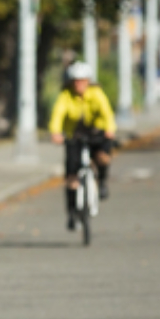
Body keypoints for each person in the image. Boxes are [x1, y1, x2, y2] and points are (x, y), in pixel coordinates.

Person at [49, 61, 117, 229]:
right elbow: (58, 114)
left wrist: (109, 129)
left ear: (88, 81)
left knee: (102, 157)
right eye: (76, 81)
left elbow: (107, 113)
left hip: (97, 134)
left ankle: (102, 182)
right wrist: (55, 132)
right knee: (72, 177)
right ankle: (71, 212)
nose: (79, 84)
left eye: (82, 80)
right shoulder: (66, 95)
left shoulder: (97, 94)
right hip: (75, 137)